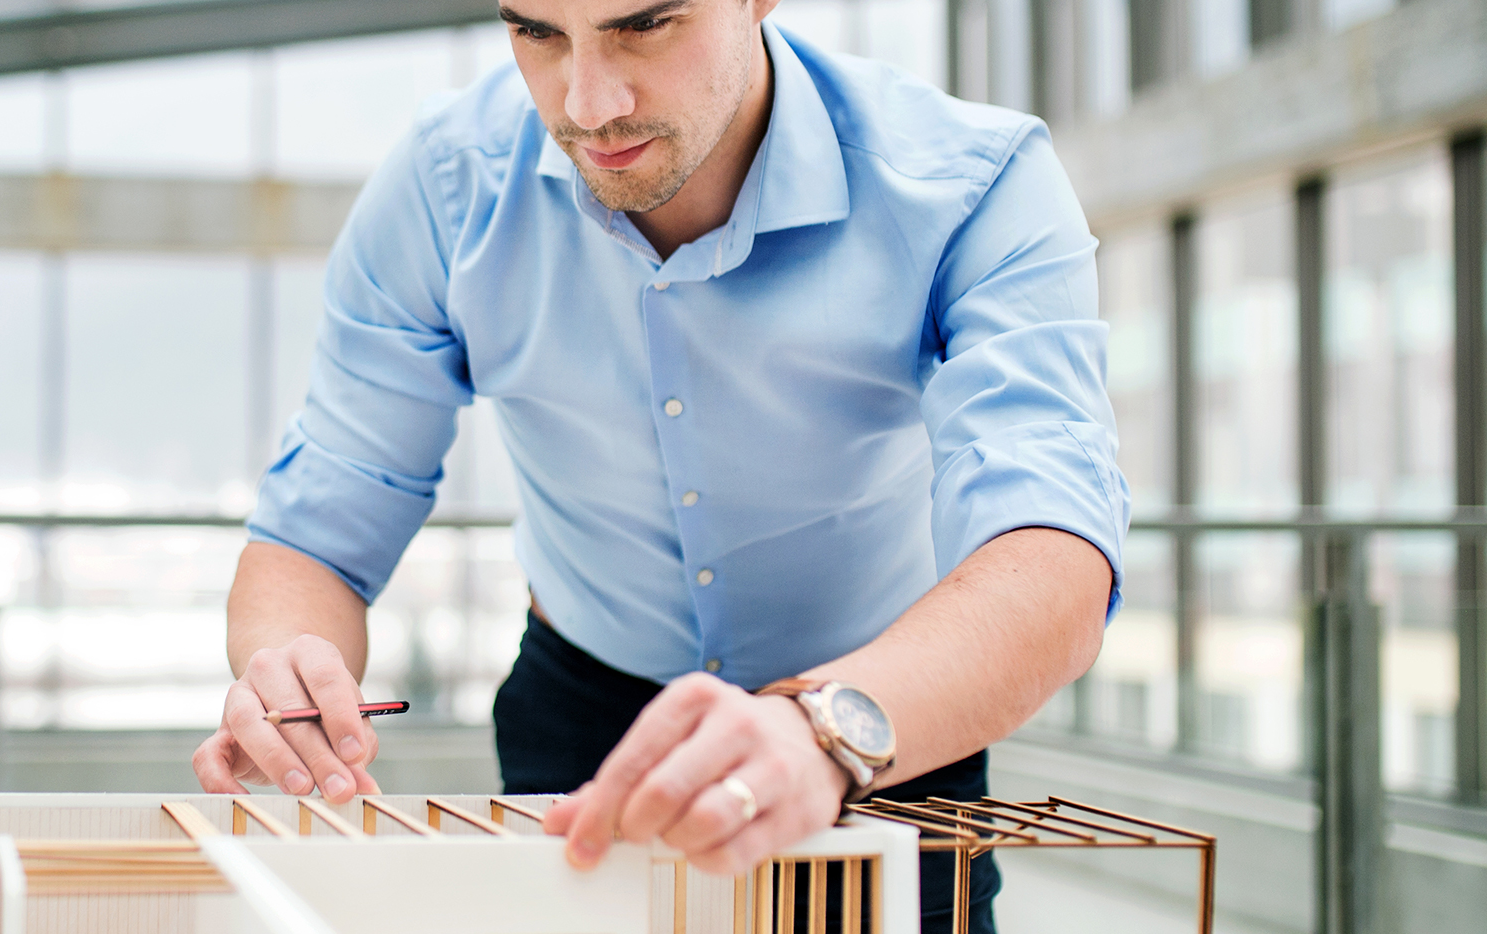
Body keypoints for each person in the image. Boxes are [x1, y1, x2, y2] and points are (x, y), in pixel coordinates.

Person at [190, 0, 1122, 929]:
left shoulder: (975, 182)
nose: (589, 105)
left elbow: (1052, 550)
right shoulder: (443, 183)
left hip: (879, 715)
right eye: (536, 34)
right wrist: (285, 664)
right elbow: (316, 535)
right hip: (583, 706)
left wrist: (823, 730)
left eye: (643, 24)